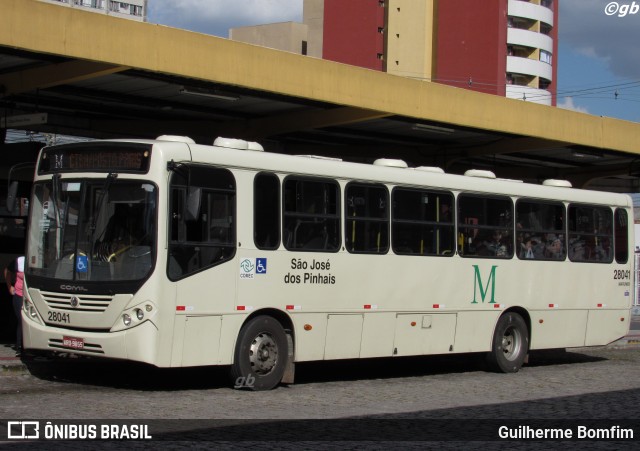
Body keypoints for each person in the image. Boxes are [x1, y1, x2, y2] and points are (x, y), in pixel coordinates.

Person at [4, 256, 24, 356]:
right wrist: (9, 287)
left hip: (33, 296)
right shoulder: (19, 261)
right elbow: (7, 271)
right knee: (21, 320)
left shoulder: (40, 261)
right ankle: (20, 347)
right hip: (19, 295)